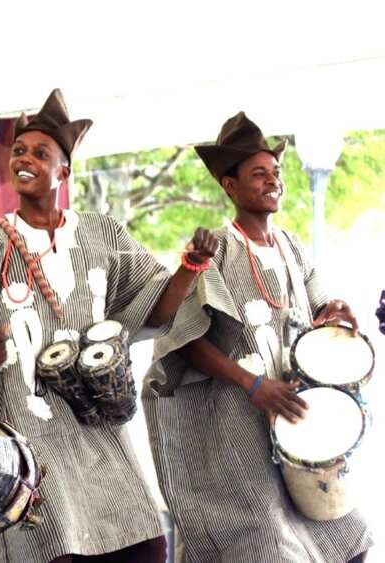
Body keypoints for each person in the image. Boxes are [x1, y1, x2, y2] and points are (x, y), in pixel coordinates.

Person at [0, 88, 216, 562]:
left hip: (97, 424)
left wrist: (190, 266)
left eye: (40, 153)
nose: (24, 159)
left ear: (64, 171)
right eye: (18, 151)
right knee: (53, 543)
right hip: (26, 428)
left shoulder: (102, 234)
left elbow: (157, 311)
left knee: (145, 545)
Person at [142, 111, 372, 562]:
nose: (273, 182)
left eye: (276, 173)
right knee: (267, 545)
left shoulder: (289, 245)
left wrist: (333, 313)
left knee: (350, 536)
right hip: (236, 428)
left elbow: (316, 307)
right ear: (230, 186)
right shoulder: (217, 249)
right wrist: (253, 386)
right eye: (258, 174)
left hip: (294, 419)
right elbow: (184, 339)